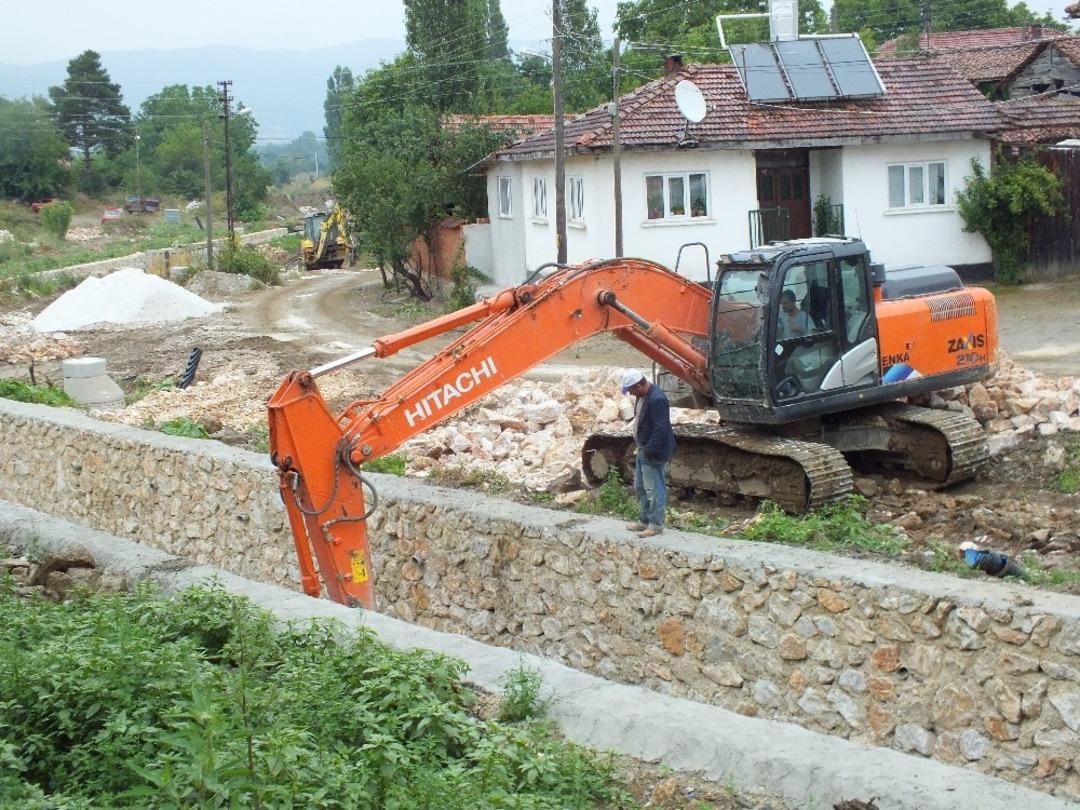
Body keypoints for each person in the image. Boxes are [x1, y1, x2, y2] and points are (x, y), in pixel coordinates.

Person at [620, 370, 675, 538]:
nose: (631, 394)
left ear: (639, 385)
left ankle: (656, 524)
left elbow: (661, 429)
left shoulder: (657, 399)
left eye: (631, 390)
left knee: (654, 489)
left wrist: (649, 450)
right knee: (640, 487)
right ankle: (644, 520)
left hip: (653, 452)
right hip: (643, 448)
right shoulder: (642, 396)